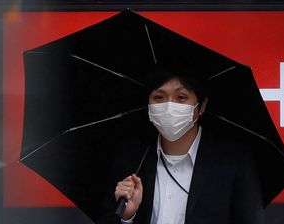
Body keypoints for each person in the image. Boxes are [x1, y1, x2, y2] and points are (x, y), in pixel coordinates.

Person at [97, 70, 264, 224]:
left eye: (181, 97)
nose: (169, 106)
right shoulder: (131, 157)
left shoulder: (233, 161)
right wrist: (128, 217)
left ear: (202, 106)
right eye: (159, 97)